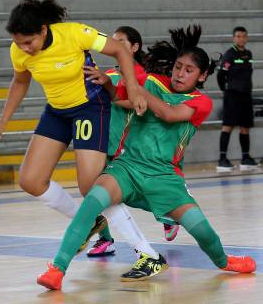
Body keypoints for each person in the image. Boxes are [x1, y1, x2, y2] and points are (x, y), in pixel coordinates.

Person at [37, 25, 256, 290]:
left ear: (202, 76)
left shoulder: (200, 101)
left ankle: (224, 261)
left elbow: (169, 114)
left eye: (188, 70)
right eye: (177, 67)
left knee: (201, 230)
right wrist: (109, 85)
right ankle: (57, 269)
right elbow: (122, 100)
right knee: (91, 201)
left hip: (165, 178)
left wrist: (137, 90)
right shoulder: (152, 82)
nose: (179, 74)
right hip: (127, 168)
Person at [0, 0, 147, 255]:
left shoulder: (74, 33)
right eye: (19, 43)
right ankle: (89, 221)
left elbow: (120, 50)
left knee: (90, 186)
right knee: (30, 180)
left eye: (29, 42)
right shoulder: (18, 51)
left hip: (90, 106)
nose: (24, 48)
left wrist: (135, 89)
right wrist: (2, 121)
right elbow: (20, 81)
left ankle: (146, 252)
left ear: (43, 30)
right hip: (57, 111)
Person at [86, 26, 179, 258]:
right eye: (112, 40)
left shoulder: (141, 76)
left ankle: (170, 212)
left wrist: (113, 94)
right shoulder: (108, 72)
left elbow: (142, 104)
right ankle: (105, 239)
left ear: (135, 47)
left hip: (125, 144)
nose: (114, 44)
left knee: (131, 192)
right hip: (102, 139)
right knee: (98, 191)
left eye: (121, 41)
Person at [216, 26, 259, 172]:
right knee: (228, 125)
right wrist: (226, 90)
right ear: (234, 38)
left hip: (246, 95)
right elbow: (220, 74)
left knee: (245, 126)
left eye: (243, 36)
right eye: (238, 36)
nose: (241, 38)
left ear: (246, 38)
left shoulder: (248, 53)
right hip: (232, 95)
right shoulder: (229, 54)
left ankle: (245, 158)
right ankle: (222, 160)